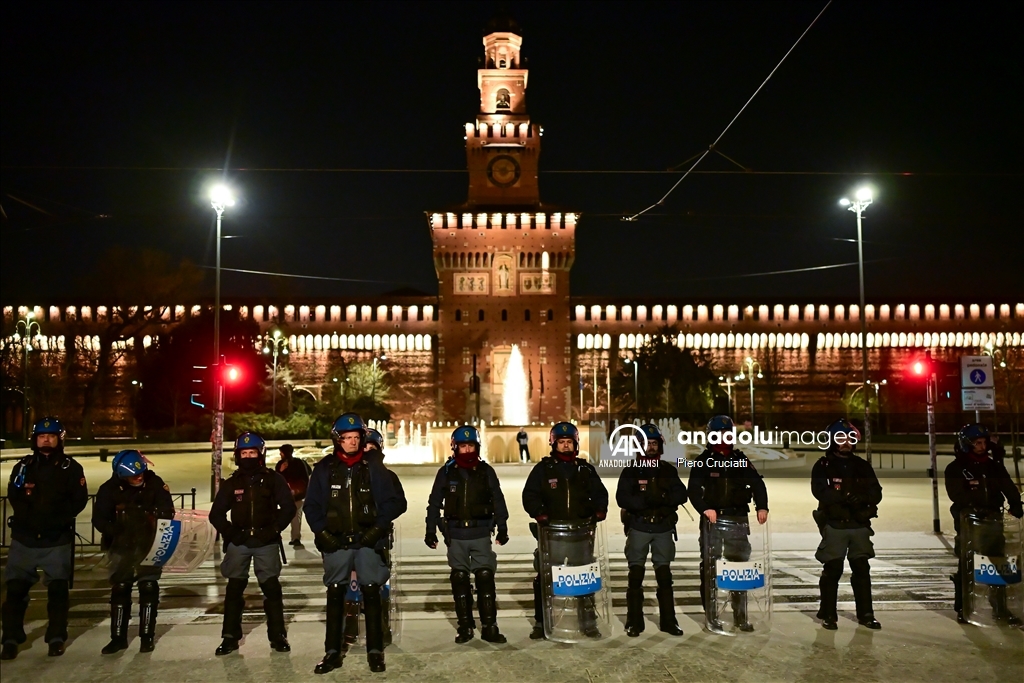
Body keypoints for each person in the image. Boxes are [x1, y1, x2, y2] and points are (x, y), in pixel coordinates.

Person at [305, 413, 404, 674]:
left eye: (356, 438)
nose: (352, 442)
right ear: (338, 440)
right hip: (336, 542)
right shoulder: (325, 468)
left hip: (368, 542)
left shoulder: (373, 468)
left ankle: (375, 651)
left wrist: (378, 529)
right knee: (335, 594)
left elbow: (393, 503)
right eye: (347, 438)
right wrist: (321, 533)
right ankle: (332, 652)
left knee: (371, 593)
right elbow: (312, 505)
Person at [1, 417, 88, 660]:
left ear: (60, 439)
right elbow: (14, 496)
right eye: (41, 436)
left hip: (56, 540)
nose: (46, 439)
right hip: (24, 539)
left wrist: (58, 520)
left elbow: (78, 499)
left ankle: (56, 638)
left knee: (58, 592)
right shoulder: (23, 467)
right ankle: (10, 639)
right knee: (15, 592)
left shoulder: (71, 468)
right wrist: (29, 519)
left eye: (51, 436)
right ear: (34, 439)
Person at [209, 432, 296, 656]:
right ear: (238, 455)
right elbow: (216, 514)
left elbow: (288, 508)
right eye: (244, 453)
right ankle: (229, 637)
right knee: (234, 590)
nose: (248, 456)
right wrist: (230, 533)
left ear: (260, 454)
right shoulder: (231, 483)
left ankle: (277, 636)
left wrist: (273, 531)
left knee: (271, 589)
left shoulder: (273, 479)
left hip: (265, 541)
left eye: (252, 452)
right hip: (239, 542)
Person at [522, 421, 609, 640]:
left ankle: (588, 622)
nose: (566, 446)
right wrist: (539, 513)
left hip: (581, 532)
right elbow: (530, 495)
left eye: (569, 442)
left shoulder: (585, 469)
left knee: (584, 579)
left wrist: (600, 510)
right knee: (545, 578)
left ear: (575, 444)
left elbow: (601, 493)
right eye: (561, 442)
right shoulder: (543, 469)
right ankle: (542, 623)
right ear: (553, 444)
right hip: (553, 532)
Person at [425, 425, 510, 644]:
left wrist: (502, 527)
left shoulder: (485, 471)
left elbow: (498, 499)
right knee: (459, 578)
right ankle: (465, 626)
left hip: (480, 532)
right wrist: (430, 531)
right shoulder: (446, 472)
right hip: (456, 534)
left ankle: (490, 626)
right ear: (455, 448)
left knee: (484, 576)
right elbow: (434, 503)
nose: (467, 450)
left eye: (470, 445)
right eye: (462, 446)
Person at [688, 415, 768, 632]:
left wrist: (762, 506)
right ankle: (711, 615)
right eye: (720, 433)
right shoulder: (703, 461)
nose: (725, 437)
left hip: (738, 521)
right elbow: (693, 490)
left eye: (728, 433)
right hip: (713, 522)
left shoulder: (740, 459)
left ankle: (740, 616)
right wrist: (705, 509)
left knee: (739, 568)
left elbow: (757, 484)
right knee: (710, 569)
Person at [91, 450, 175, 653]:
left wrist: (154, 516)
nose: (138, 477)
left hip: (148, 544)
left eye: (140, 473)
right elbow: (99, 519)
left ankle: (147, 636)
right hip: (120, 546)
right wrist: (117, 530)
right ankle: (118, 638)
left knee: (148, 586)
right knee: (120, 588)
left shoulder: (154, 484)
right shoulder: (109, 489)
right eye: (132, 475)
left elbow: (168, 510)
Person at [945, 423, 1023, 625]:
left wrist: (1015, 504)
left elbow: (1007, 486)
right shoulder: (956, 468)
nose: (982, 446)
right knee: (967, 564)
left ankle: (1000, 608)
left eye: (984, 442)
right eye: (977, 443)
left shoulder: (993, 466)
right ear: (966, 445)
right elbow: (956, 494)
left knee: (997, 564)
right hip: (969, 522)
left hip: (993, 520)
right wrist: (974, 503)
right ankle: (963, 607)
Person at [616, 423, 688, 637]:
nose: (651, 447)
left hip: (662, 527)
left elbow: (681, 494)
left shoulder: (667, 470)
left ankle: (669, 621)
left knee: (664, 575)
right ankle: (634, 622)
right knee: (635, 575)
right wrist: (645, 501)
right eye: (647, 443)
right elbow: (622, 498)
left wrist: (664, 499)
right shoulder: (630, 471)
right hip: (639, 525)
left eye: (654, 443)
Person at [811, 419, 883, 630]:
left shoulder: (862, 466)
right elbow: (819, 491)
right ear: (832, 440)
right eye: (840, 438)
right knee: (832, 569)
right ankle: (829, 614)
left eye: (849, 439)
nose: (845, 443)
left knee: (861, 569)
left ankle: (866, 614)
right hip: (835, 525)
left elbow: (876, 492)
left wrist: (861, 498)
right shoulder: (823, 465)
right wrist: (844, 497)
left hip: (859, 524)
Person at [275, 444, 312, 546]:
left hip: (290, 495)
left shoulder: (283, 464)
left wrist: (280, 471)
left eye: (281, 452)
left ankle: (293, 537)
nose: (280, 454)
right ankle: (295, 537)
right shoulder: (300, 462)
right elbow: (307, 474)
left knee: (293, 516)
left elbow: (276, 479)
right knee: (296, 517)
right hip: (298, 494)